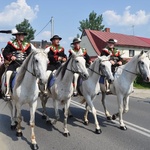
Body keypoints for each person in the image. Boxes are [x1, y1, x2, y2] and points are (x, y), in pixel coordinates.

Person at [2, 29, 31, 100]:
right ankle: (8, 91)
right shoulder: (10, 44)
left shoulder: (27, 45)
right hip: (14, 64)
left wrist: (28, 57)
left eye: (23, 35)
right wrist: (11, 56)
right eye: (21, 35)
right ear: (17, 36)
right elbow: (5, 52)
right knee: (8, 73)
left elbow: (29, 53)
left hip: (24, 65)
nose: (23, 36)